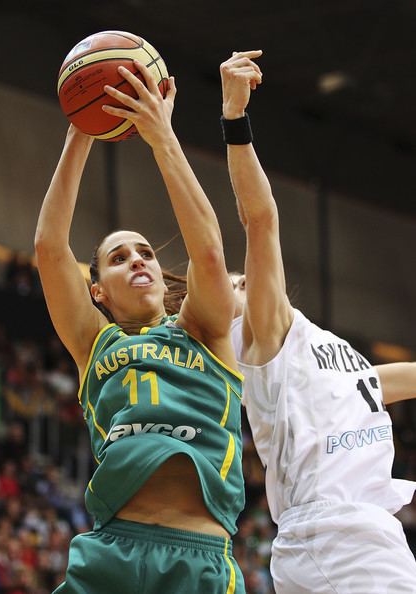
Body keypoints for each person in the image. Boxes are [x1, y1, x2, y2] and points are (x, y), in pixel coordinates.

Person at [35, 59, 246, 594]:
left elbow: (209, 251)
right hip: (109, 554)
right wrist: (80, 131)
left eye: (145, 252)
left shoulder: (203, 329)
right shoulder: (94, 342)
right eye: (118, 256)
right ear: (97, 290)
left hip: (198, 558)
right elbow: (48, 249)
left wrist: (162, 137)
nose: (137, 260)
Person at [220, 50, 416, 593]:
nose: (246, 280)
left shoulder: (319, 357)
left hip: (354, 537)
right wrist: (235, 121)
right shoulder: (259, 336)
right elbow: (260, 220)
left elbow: (383, 382)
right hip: (337, 535)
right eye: (238, 283)